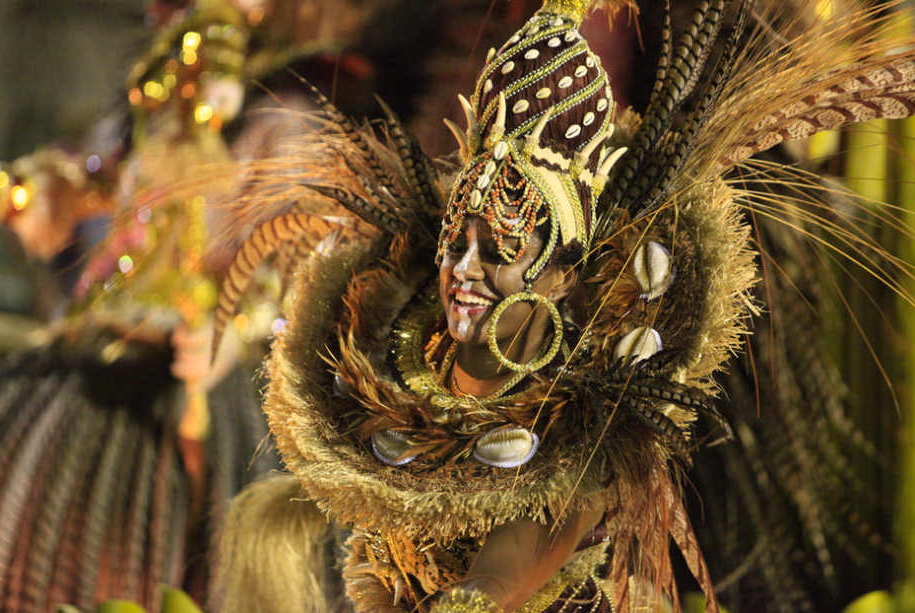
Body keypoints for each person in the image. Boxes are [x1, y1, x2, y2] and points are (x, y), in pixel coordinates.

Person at [206, 0, 915, 611]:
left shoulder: (591, 412)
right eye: (457, 242)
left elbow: (542, 531)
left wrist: (474, 595)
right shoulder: (392, 372)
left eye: (497, 248)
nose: (461, 270)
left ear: (562, 273)